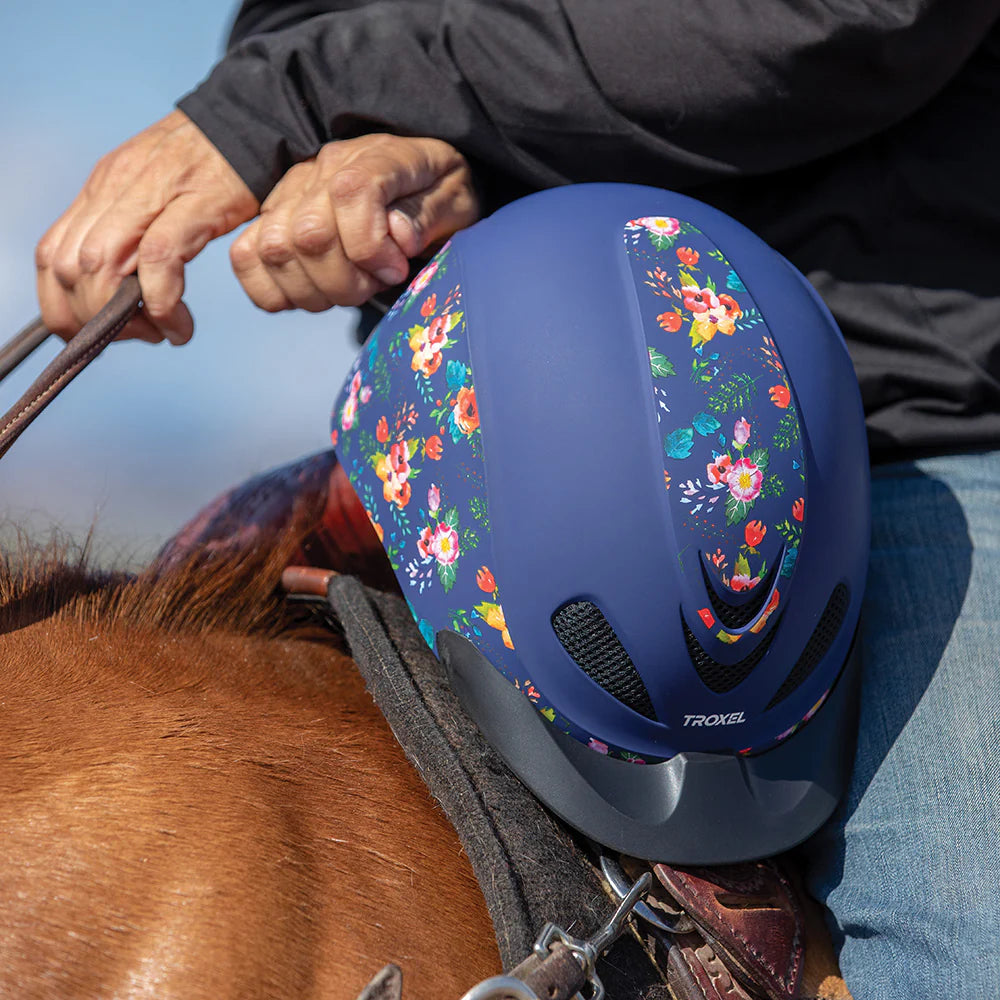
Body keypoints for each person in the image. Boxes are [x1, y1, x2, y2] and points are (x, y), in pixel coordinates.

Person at [36, 3, 1000, 997]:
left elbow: (852, 19)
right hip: (490, 418)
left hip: (900, 422)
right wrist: (364, 147)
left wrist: (319, 93)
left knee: (962, 949)